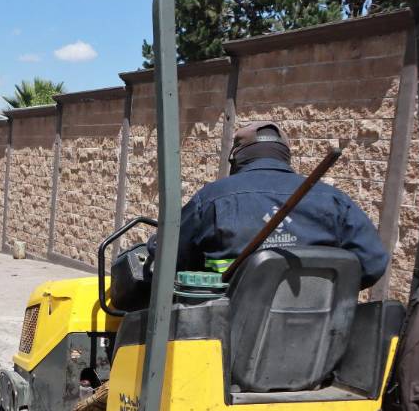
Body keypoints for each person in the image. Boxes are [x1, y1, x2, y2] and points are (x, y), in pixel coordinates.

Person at [152, 121, 388, 288]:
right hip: (320, 344)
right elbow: (373, 262)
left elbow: (167, 258)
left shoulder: (213, 199)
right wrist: (325, 292)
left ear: (236, 159)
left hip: (224, 339)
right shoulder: (333, 200)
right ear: (285, 156)